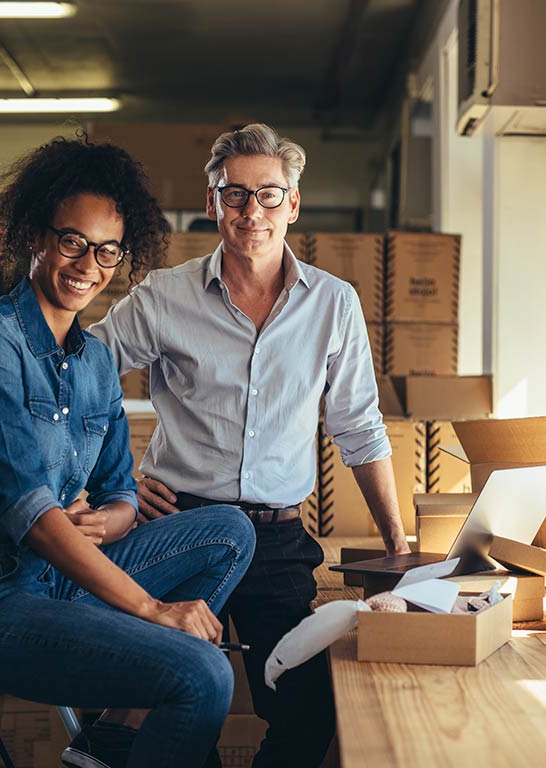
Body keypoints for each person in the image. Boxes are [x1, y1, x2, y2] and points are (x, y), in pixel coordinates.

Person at [0, 136, 256, 768]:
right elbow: (33, 518)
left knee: (230, 531)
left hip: (56, 582)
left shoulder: (95, 359)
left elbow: (121, 491)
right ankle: (121, 740)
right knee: (203, 675)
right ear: (36, 235)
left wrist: (109, 519)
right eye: (72, 241)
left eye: (106, 250)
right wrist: (155, 610)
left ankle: (111, 739)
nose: (87, 264)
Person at [89, 123, 411, 767]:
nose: (251, 212)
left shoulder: (334, 304)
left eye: (268, 195)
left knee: (310, 704)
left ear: (293, 205)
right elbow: (76, 375)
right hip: (179, 526)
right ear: (212, 205)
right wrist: (111, 484)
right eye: (234, 195)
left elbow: (359, 427)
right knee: (185, 703)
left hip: (277, 537)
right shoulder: (165, 296)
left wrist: (399, 547)